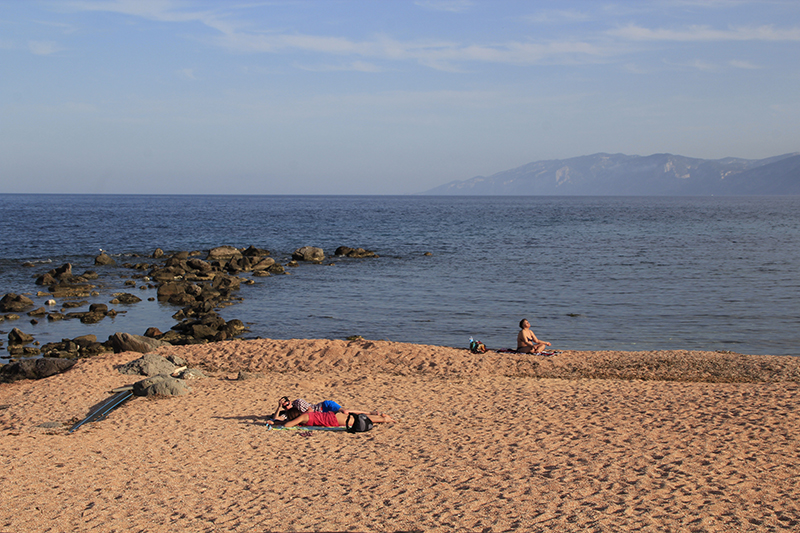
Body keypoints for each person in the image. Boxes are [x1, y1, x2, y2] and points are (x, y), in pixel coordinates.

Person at [267, 407, 396, 428]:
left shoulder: (302, 417)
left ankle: (385, 419)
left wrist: (278, 424)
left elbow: (287, 425)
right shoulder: (306, 414)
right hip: (331, 415)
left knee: (356, 421)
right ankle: (382, 418)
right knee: (357, 418)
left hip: (333, 419)